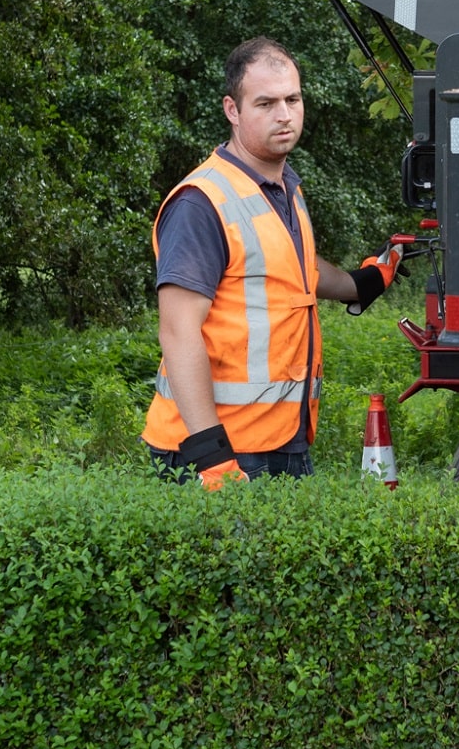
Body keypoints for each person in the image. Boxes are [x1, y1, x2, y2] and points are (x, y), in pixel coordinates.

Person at [141, 37, 403, 487]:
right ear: (232, 109)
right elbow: (178, 332)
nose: (284, 115)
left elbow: (290, 270)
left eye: (292, 100)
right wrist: (212, 456)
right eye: (265, 103)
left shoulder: (283, 188)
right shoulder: (202, 202)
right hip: (218, 453)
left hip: (280, 442)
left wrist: (361, 283)